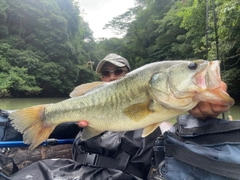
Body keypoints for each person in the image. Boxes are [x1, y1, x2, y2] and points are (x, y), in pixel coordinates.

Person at [9, 53, 230, 180]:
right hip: (75, 172)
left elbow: (170, 130)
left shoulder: (164, 115)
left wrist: (203, 120)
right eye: (106, 73)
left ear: (130, 74)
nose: (112, 76)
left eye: (119, 71)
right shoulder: (87, 108)